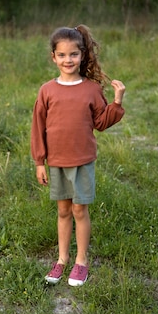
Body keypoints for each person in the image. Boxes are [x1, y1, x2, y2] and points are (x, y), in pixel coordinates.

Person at [31, 25, 126, 286]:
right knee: (63, 211)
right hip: (57, 161)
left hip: (82, 160)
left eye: (73, 54)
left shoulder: (91, 89)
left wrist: (116, 102)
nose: (68, 60)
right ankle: (62, 260)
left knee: (79, 210)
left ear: (82, 55)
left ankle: (81, 261)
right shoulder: (47, 90)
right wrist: (39, 161)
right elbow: (38, 127)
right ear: (53, 57)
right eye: (62, 55)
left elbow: (101, 122)